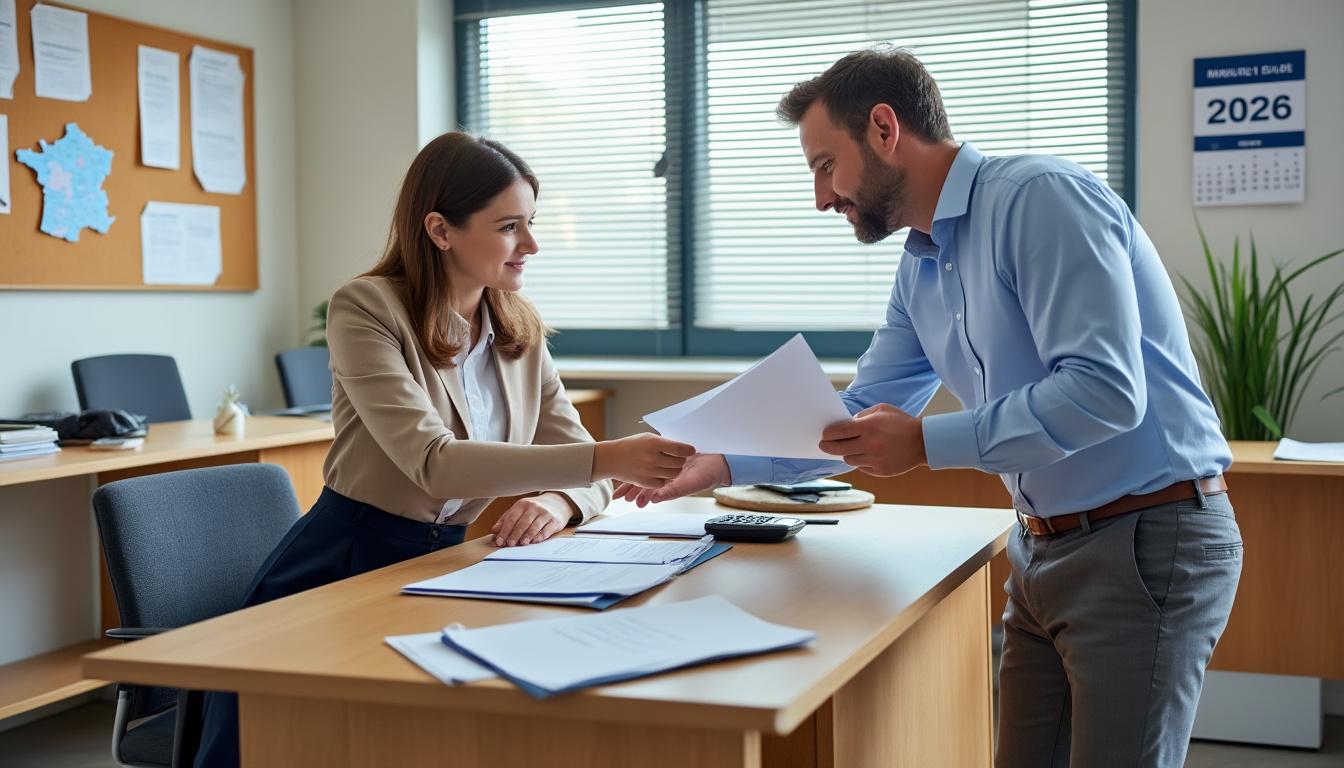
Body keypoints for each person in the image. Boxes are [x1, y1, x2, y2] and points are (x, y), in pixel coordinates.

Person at [617, 48, 1242, 767]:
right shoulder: (922, 263)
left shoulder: (1039, 198)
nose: (821, 198)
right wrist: (720, 460)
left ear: (884, 129)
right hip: (1041, 547)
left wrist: (925, 444)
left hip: (1144, 538)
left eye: (825, 166)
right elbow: (854, 415)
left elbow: (1104, 392)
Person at [194, 132, 695, 767]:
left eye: (531, 224)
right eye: (510, 226)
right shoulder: (367, 308)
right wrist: (605, 460)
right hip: (344, 560)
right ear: (440, 229)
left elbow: (580, 456)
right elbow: (432, 461)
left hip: (445, 564)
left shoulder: (518, 327)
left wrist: (560, 499)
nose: (531, 246)